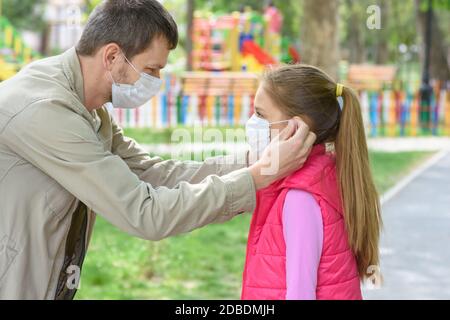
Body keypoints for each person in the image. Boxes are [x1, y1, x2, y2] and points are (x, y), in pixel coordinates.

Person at [0, 0, 315, 300]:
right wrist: (258, 178)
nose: (157, 80)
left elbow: (154, 173)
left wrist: (254, 161)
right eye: (151, 69)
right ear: (111, 56)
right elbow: (144, 212)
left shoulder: (89, 109)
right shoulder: (46, 111)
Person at [241, 64, 382, 300]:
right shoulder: (326, 173)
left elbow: (300, 294)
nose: (252, 123)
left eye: (261, 114)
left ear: (296, 127)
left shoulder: (301, 197)